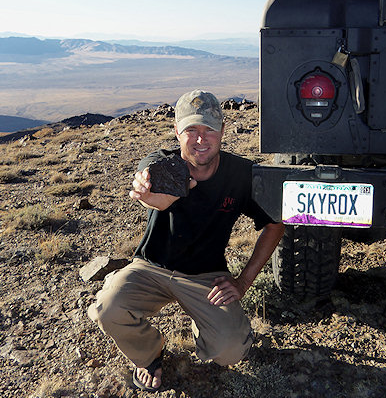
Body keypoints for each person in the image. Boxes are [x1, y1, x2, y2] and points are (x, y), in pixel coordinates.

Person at [88, 89, 285, 392]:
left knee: (231, 351)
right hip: (151, 267)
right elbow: (153, 189)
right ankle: (149, 354)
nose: (201, 138)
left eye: (209, 129)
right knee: (107, 308)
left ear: (223, 130)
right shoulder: (165, 165)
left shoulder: (241, 174)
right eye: (191, 129)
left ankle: (202, 323)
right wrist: (149, 194)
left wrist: (243, 282)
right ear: (176, 131)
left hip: (206, 276)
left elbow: (275, 224)